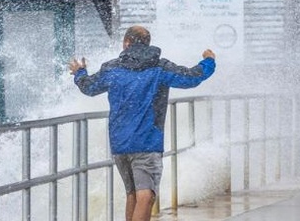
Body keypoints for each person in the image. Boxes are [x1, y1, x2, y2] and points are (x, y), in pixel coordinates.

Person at [68, 25, 215, 221]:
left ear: (126, 43)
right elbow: (192, 78)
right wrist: (209, 61)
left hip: (120, 144)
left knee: (133, 194)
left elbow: (89, 87)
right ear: (147, 43)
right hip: (146, 142)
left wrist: (80, 72)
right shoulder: (159, 68)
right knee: (146, 196)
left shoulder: (112, 69)